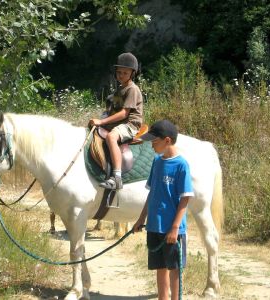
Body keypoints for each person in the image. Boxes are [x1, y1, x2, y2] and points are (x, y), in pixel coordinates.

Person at [132, 120, 194, 300]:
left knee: (174, 268)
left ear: (167, 141)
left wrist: (175, 228)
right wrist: (141, 219)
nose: (151, 145)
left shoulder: (181, 165)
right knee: (160, 267)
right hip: (154, 226)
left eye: (154, 141)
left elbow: (185, 198)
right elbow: (152, 193)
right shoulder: (157, 162)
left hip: (172, 229)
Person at [89, 52, 143, 190]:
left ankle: (117, 177)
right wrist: (103, 118)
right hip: (119, 123)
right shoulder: (120, 89)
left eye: (125, 73)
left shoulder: (132, 89)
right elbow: (113, 110)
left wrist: (102, 122)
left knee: (112, 137)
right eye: (119, 72)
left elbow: (124, 113)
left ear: (133, 74)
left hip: (130, 124)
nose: (121, 75)